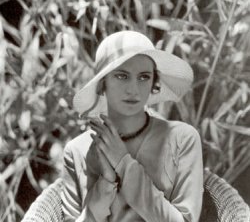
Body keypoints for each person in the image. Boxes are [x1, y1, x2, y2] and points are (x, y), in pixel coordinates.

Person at [61, 30, 203, 222]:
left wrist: (123, 163)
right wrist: (106, 183)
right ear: (102, 83)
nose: (133, 89)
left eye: (144, 77)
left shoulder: (182, 139)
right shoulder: (77, 151)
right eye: (122, 76)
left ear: (154, 82)